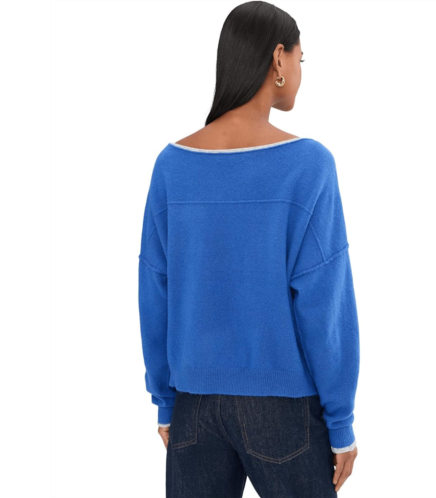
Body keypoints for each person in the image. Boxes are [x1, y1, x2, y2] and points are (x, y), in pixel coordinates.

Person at [138, 2, 360, 497]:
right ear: (279, 58)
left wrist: (166, 402)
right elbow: (325, 305)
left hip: (193, 405)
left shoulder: (171, 165)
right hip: (282, 408)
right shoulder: (308, 165)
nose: (300, 70)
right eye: (301, 58)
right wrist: (340, 421)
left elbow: (155, 290)